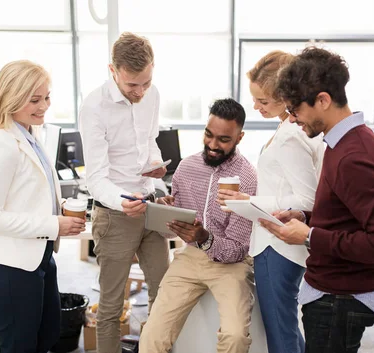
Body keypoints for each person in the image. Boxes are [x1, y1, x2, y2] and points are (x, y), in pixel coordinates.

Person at [260, 46, 374, 353]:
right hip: (334, 295)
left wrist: (312, 236)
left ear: (323, 100)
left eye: (295, 109)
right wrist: (307, 219)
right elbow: (348, 215)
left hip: (340, 300)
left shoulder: (354, 156)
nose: (293, 119)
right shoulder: (342, 144)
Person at [0, 60, 86, 353]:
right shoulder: (2, 144)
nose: (44, 106)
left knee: (47, 336)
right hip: (10, 266)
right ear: (10, 98)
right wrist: (53, 223)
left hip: (39, 256)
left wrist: (58, 205)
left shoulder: (29, 134)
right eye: (34, 99)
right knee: (19, 346)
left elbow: (26, 192)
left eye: (47, 97)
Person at [217, 50, 324, 353]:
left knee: (280, 332)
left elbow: (307, 199)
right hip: (273, 241)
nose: (255, 107)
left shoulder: (292, 135)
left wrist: (249, 200)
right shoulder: (288, 125)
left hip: (278, 245)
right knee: (284, 326)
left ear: (286, 95)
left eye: (263, 101)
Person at [139, 98, 258, 353]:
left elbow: (237, 249)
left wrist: (205, 237)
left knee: (235, 336)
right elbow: (169, 230)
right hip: (190, 257)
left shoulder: (247, 177)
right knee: (152, 335)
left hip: (231, 265)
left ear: (239, 137)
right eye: (208, 135)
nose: (213, 145)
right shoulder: (186, 167)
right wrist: (166, 211)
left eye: (224, 139)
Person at [78, 32, 169, 353]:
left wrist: (157, 164)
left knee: (165, 295)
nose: (141, 92)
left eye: (146, 82)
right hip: (115, 214)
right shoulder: (94, 107)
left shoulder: (152, 94)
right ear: (112, 71)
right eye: (132, 85)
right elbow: (96, 178)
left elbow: (150, 141)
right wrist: (121, 201)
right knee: (112, 306)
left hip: (150, 207)